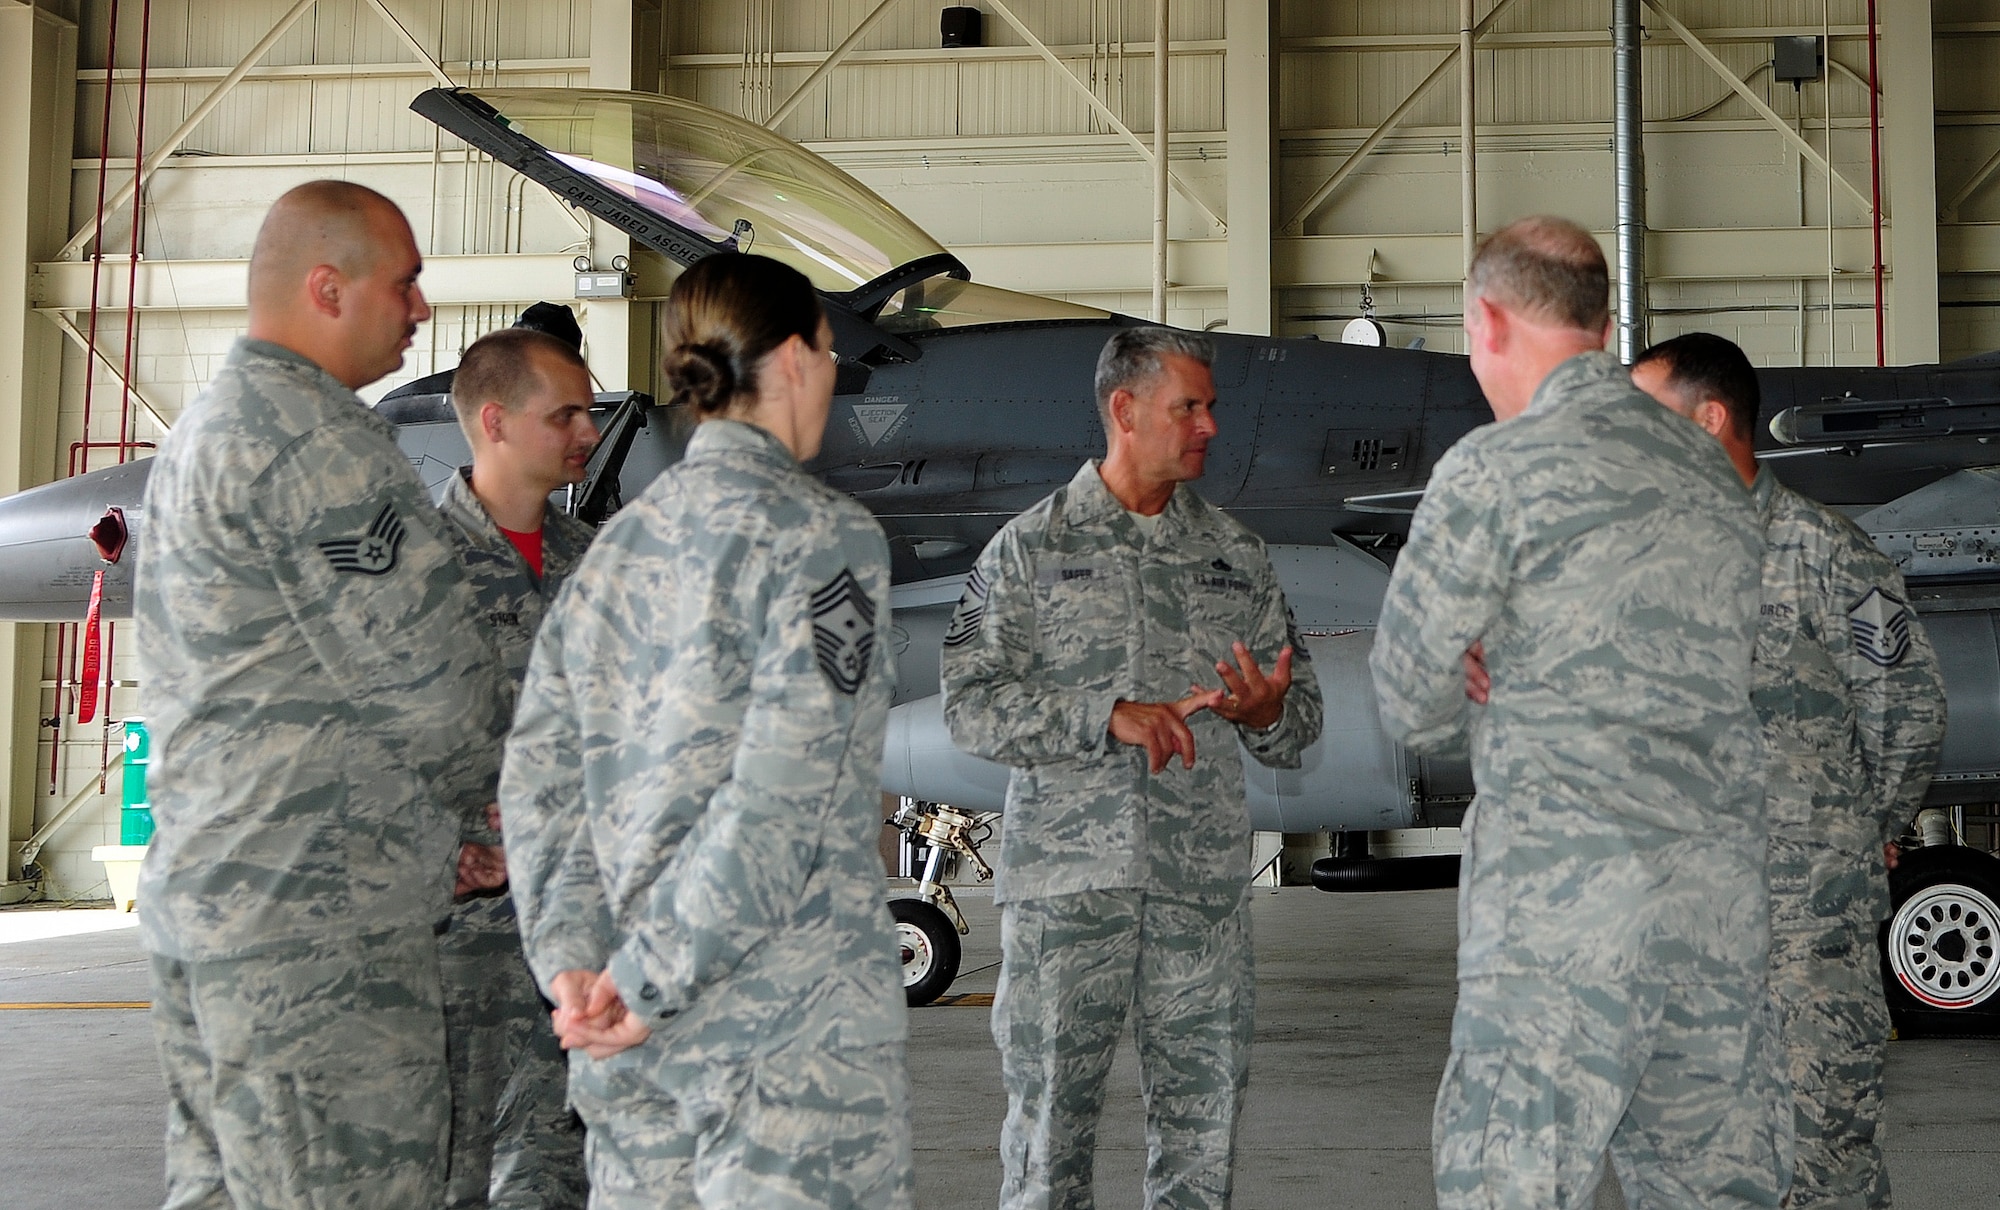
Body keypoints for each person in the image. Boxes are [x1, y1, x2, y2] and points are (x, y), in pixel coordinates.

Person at [1369, 216, 1791, 1209]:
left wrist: (1476, 658)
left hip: (1559, 924)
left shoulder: (1493, 470)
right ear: (1602, 322)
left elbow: (1407, 701)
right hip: (1714, 920)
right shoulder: (1709, 472)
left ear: (1484, 319)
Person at [498, 252, 915, 1208]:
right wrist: (642, 988)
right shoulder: (823, 537)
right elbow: (780, 806)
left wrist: (576, 974)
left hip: (630, 1060)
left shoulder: (609, 557)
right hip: (784, 1057)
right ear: (801, 360)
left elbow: (538, 786)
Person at [136, 180, 509, 1206]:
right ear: (327, 289)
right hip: (317, 931)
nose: (421, 310)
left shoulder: (206, 429)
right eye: (406, 282)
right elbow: (432, 685)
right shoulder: (322, 445)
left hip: (212, 903)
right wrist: (498, 811)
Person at [939, 326, 1324, 1210]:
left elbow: (1295, 721)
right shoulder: (1029, 551)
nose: (1209, 427)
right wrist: (1101, 716)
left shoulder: (1237, 557)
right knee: (1047, 1144)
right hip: (1067, 900)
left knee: (1200, 1140)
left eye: (1211, 407)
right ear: (1125, 409)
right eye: (1188, 407)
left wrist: (1266, 713)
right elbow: (970, 705)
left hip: (1200, 900)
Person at [1632, 332, 1946, 1208]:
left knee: (1823, 1154)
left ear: (1710, 419)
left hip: (1808, 930)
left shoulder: (1826, 552)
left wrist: (1864, 830)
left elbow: (1908, 709)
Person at [437, 327, 600, 1209]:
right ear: (495, 422)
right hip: (453, 934)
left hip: (573, 925)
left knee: (555, 1168)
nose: (587, 430)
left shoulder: (597, 566)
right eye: (564, 413)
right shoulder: (412, 569)